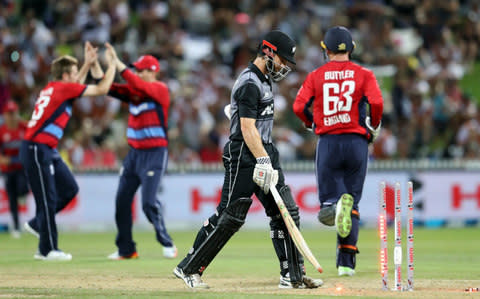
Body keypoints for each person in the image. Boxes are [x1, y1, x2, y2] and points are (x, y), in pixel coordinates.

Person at [173, 30, 323, 289]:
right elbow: (247, 128)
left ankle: (292, 276)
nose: (285, 66)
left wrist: (266, 157)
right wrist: (263, 161)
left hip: (264, 150)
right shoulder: (250, 82)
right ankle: (189, 269)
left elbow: (245, 116)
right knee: (231, 216)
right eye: (283, 60)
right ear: (268, 52)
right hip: (244, 154)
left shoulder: (263, 80)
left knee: (285, 212)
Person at [293, 26, 384, 276]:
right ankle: (346, 263)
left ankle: (331, 206)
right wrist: (373, 125)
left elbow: (298, 106)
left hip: (329, 143)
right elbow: (376, 102)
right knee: (352, 203)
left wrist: (312, 123)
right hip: (356, 142)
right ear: (351, 48)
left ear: (326, 50)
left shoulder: (315, 76)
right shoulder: (364, 74)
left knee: (330, 203)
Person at [20, 42, 118, 261]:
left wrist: (87, 64)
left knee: (69, 188)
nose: (78, 76)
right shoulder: (63, 88)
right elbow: (102, 89)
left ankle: (38, 224)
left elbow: (74, 87)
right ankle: (47, 250)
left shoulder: (55, 88)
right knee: (48, 198)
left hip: (46, 148)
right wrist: (111, 65)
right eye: (74, 73)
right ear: (65, 75)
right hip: (37, 147)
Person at [102, 54, 176, 260]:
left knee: (148, 203)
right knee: (122, 202)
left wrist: (120, 66)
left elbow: (137, 84)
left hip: (154, 153)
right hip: (134, 155)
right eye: (137, 70)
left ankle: (167, 242)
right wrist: (99, 68)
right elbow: (109, 87)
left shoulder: (160, 90)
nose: (138, 73)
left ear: (153, 71)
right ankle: (126, 249)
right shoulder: (134, 91)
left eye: (142, 70)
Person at [0, 100, 29, 238]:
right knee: (12, 198)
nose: (11, 116)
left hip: (22, 168)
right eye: (9, 114)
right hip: (8, 169)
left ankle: (22, 195)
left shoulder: (24, 127)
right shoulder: (2, 131)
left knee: (22, 188)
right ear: (5, 115)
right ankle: (16, 227)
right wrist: (5, 160)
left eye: (13, 113)